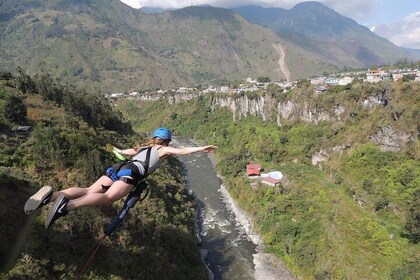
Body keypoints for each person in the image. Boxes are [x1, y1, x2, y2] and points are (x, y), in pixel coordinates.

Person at [24, 127, 218, 229]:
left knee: (89, 190)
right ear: (166, 140)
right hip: (132, 173)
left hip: (119, 167)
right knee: (108, 199)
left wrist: (116, 149)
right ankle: (66, 207)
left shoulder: (143, 147)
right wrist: (202, 148)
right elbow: (183, 151)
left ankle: (50, 197)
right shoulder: (163, 149)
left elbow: (123, 152)